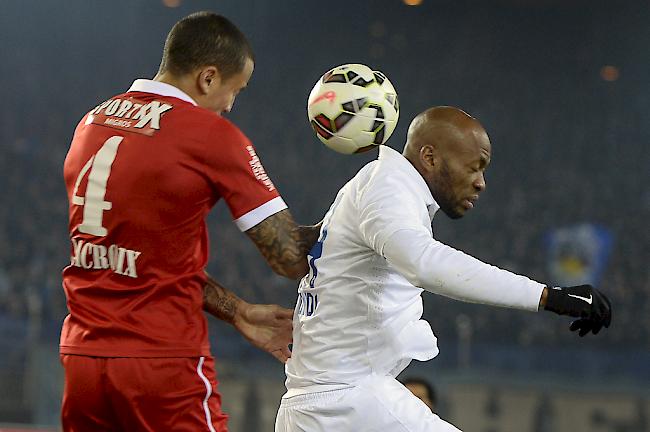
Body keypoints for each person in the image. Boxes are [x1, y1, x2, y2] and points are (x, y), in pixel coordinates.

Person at [274, 106, 611, 432]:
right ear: (430, 157)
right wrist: (549, 297)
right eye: (474, 166)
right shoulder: (388, 187)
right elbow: (423, 262)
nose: (481, 183)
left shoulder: (376, 184)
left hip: (328, 402)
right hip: (344, 402)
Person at [61, 11, 320, 432]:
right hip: (162, 365)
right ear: (208, 78)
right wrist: (358, 214)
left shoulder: (91, 122)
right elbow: (290, 256)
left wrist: (236, 311)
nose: (230, 106)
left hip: (82, 361)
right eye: (235, 91)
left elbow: (144, 264)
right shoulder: (208, 134)